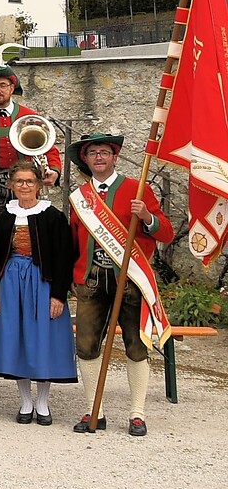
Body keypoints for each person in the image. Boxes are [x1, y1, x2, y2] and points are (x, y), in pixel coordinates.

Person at [66, 132, 168, 437]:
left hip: (131, 280)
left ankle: (137, 413)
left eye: (104, 152)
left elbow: (166, 233)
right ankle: (93, 410)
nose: (99, 157)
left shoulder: (138, 190)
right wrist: (75, 275)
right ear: (85, 159)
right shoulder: (79, 197)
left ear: (115, 157)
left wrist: (147, 216)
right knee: (86, 345)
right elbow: (74, 240)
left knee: (136, 346)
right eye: (93, 153)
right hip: (92, 279)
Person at [0, 161, 76, 424]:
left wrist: (58, 295)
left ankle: (43, 403)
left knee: (42, 340)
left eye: (29, 181)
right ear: (11, 185)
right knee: (18, 339)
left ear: (39, 185)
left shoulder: (53, 216)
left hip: (42, 282)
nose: (24, 186)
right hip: (11, 281)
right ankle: (25, 402)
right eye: (19, 181)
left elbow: (64, 258)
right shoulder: (4, 216)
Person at [0, 65, 63, 194]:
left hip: (26, 185)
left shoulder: (28, 115)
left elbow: (47, 148)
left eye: (3, 85)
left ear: (12, 88)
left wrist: (54, 170)